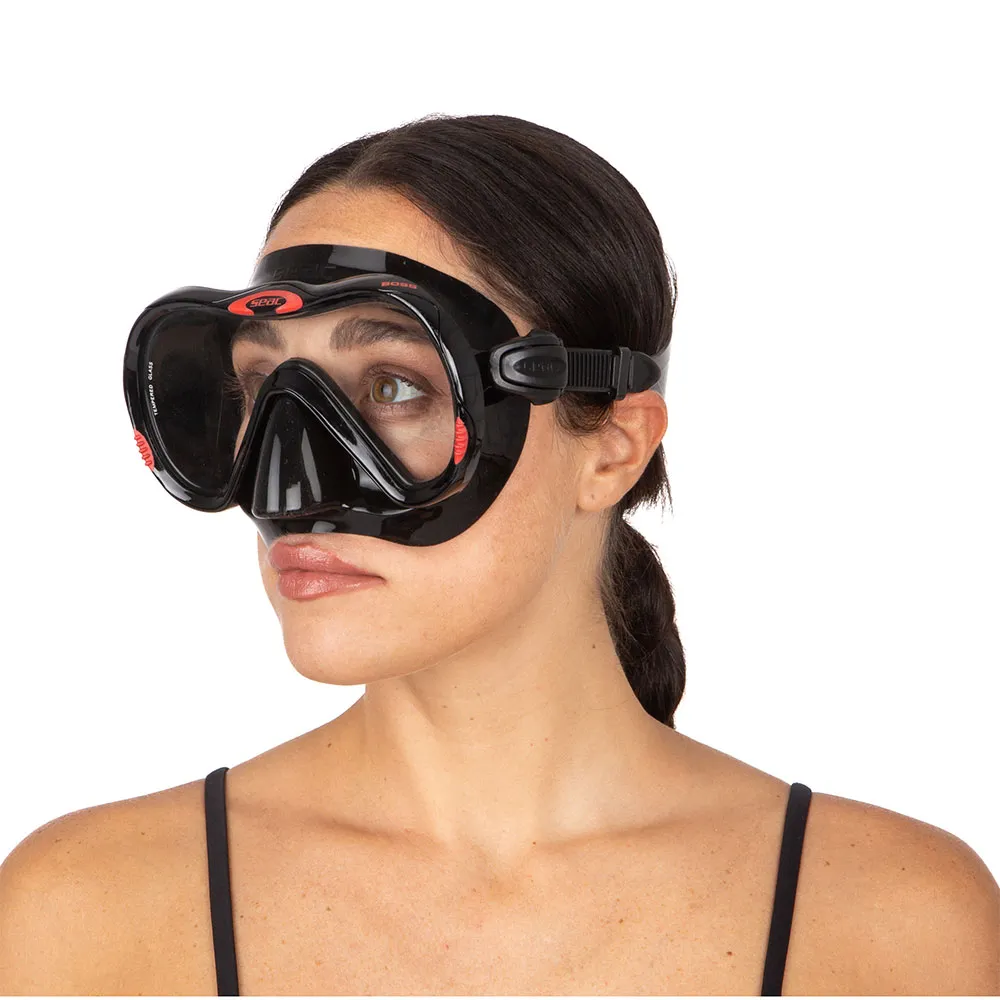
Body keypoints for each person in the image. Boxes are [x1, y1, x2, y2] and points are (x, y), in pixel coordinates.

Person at [1, 113, 997, 997]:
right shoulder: (82, 913)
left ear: (613, 447)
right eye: (266, 391)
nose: (287, 488)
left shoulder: (893, 921)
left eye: (393, 387)